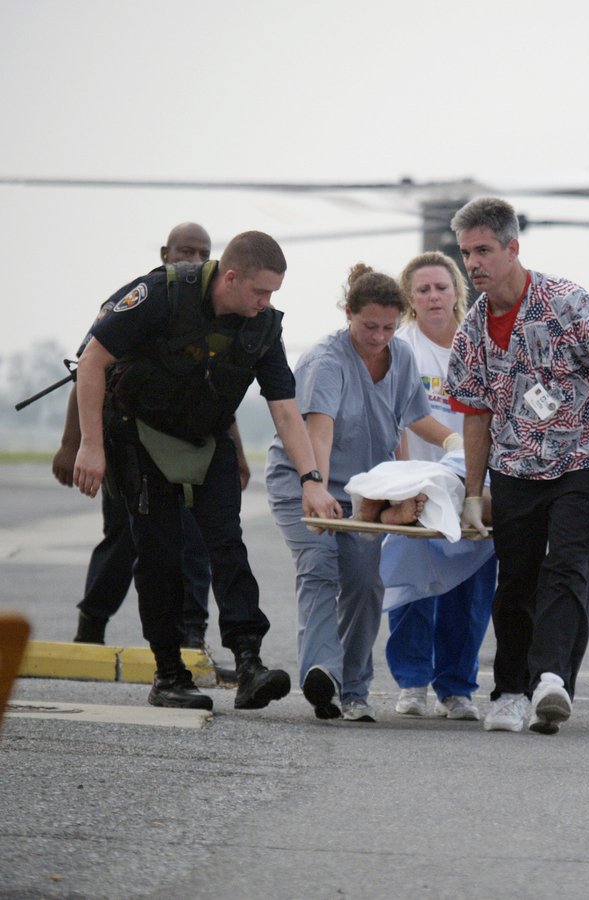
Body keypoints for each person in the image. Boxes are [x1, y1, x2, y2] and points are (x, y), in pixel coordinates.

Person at [72, 230, 343, 711]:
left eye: (273, 294)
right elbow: (93, 361)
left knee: (227, 545)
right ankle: (169, 674)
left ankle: (249, 663)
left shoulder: (262, 326)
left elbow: (284, 407)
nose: (266, 302)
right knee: (159, 555)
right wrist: (90, 446)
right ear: (231, 277)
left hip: (206, 437)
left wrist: (311, 481)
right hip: (140, 433)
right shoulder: (161, 296)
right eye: (260, 292)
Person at [446, 197, 589, 736]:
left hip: (583, 458)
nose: (473, 263)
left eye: (483, 250)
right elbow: (475, 415)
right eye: (465, 253)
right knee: (516, 581)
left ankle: (551, 679)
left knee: (568, 569)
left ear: (513, 248)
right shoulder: (473, 329)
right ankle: (508, 692)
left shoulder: (565, 301)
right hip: (516, 466)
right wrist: (473, 494)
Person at [265, 263, 458, 723]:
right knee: (319, 568)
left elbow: (412, 418)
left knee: (366, 584)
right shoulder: (326, 361)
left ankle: (354, 691)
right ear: (348, 313)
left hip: (364, 490)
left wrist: (455, 444)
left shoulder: (402, 356)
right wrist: (316, 493)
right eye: (369, 326)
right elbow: (321, 435)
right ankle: (323, 675)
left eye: (389, 327)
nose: (378, 336)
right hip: (305, 480)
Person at [53, 222, 251, 649]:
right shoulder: (141, 298)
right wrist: (74, 445)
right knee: (125, 538)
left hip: (189, 442)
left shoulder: (214, 308)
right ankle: (92, 626)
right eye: (185, 251)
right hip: (128, 439)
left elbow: (215, 391)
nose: (193, 260)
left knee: (194, 541)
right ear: (165, 252)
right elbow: (88, 369)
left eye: (202, 253)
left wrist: (235, 452)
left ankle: (191, 641)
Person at [386, 251, 498, 722]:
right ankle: (412, 683)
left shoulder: (482, 340)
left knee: (469, 593)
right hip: (417, 484)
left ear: (458, 292)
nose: (434, 296)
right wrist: (402, 480)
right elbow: (397, 416)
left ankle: (456, 688)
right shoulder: (401, 346)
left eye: (442, 287)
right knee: (413, 589)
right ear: (411, 299)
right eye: (423, 289)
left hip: (476, 486)